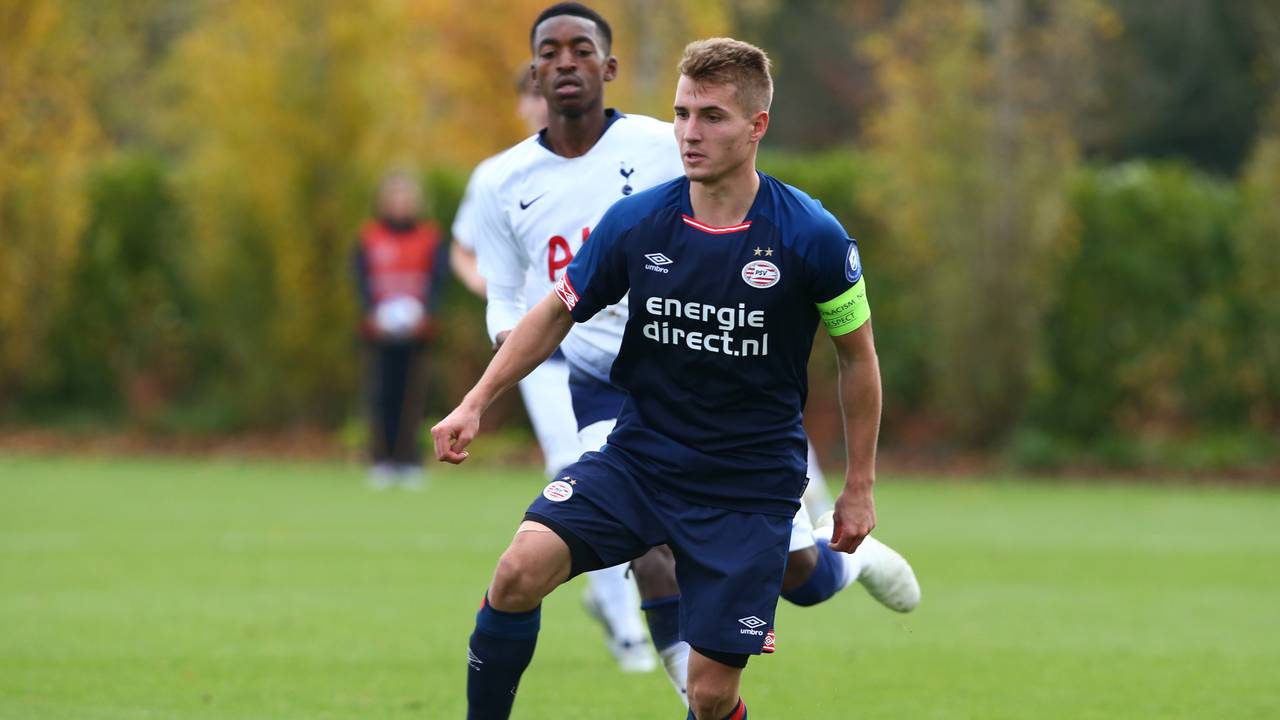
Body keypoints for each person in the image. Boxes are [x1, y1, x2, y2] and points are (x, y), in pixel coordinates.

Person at [435, 25, 912, 719]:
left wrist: (859, 487)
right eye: (683, 112)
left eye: (711, 116)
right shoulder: (635, 223)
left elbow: (857, 358)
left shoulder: (813, 235)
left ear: (757, 126)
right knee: (517, 572)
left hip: (747, 484)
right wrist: (477, 400)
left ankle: (847, 566)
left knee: (714, 698)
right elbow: (554, 313)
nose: (688, 132)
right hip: (641, 457)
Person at [354, 171, 447, 489]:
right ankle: (381, 460)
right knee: (381, 396)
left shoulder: (429, 237)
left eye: (406, 198)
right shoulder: (370, 237)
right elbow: (361, 281)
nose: (400, 204)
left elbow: (437, 281)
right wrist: (374, 314)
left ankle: (410, 460)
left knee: (413, 397)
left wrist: (424, 312)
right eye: (394, 198)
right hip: (379, 331)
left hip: (417, 332)